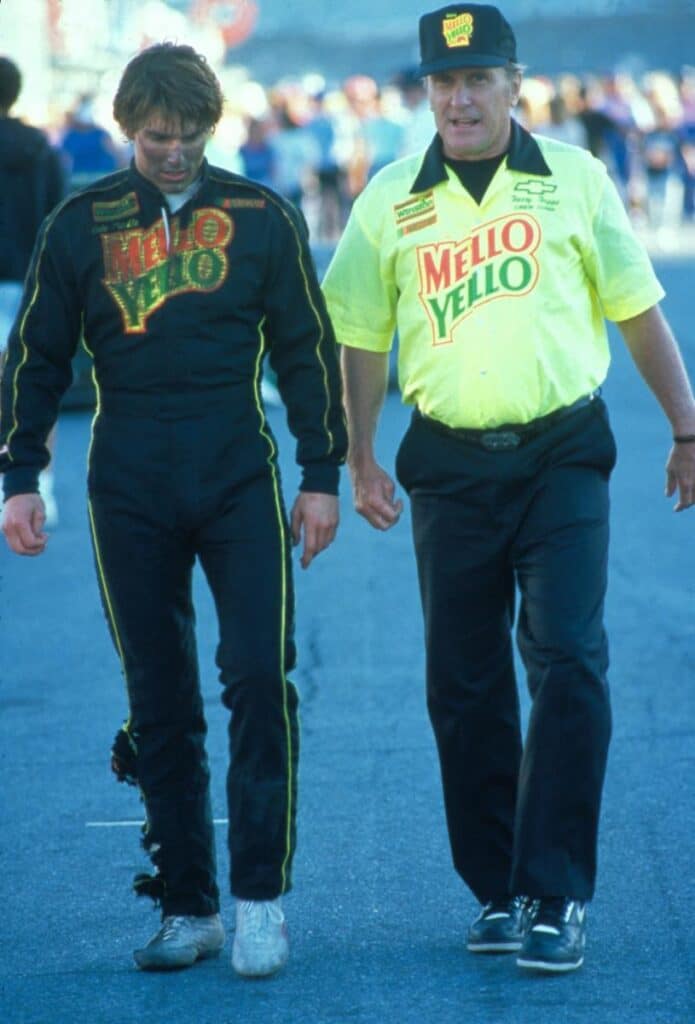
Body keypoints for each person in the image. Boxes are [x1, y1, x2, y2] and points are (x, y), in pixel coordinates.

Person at [323, 3, 695, 975]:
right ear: (426, 92)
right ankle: (497, 886)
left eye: (476, 79)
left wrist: (687, 426)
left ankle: (555, 889)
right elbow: (359, 335)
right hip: (446, 463)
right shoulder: (389, 201)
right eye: (441, 82)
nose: (457, 97)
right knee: (463, 682)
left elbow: (636, 310)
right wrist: (357, 454)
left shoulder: (571, 179)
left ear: (512, 83)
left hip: (560, 452)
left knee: (568, 658)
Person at [0, 43, 346, 978]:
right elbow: (34, 356)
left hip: (240, 474)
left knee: (256, 679)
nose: (177, 153)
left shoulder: (261, 216)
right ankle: (188, 906)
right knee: (159, 698)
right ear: (126, 129)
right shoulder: (80, 223)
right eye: (158, 138)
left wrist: (323, 474)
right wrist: (20, 478)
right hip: (129, 485)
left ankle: (259, 898)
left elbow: (306, 352)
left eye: (192, 136)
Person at [0, 55, 65, 525]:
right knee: (39, 379)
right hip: (31, 276)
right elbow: (58, 214)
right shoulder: (40, 148)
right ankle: (41, 481)